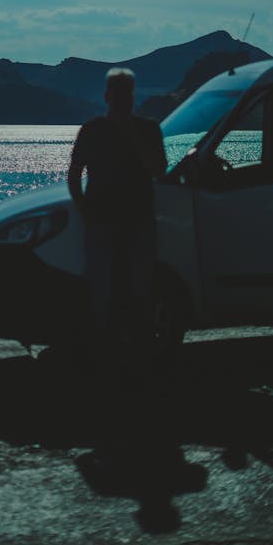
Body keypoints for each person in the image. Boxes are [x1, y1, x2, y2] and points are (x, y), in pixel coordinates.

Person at [67, 68, 167, 375]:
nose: (122, 100)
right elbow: (73, 174)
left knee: (140, 289)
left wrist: (133, 138)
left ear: (132, 97)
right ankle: (105, 353)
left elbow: (159, 170)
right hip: (104, 222)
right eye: (117, 94)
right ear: (108, 97)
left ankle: (139, 352)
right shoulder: (92, 130)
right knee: (102, 290)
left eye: (126, 94)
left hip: (137, 222)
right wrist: (84, 210)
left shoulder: (148, 130)